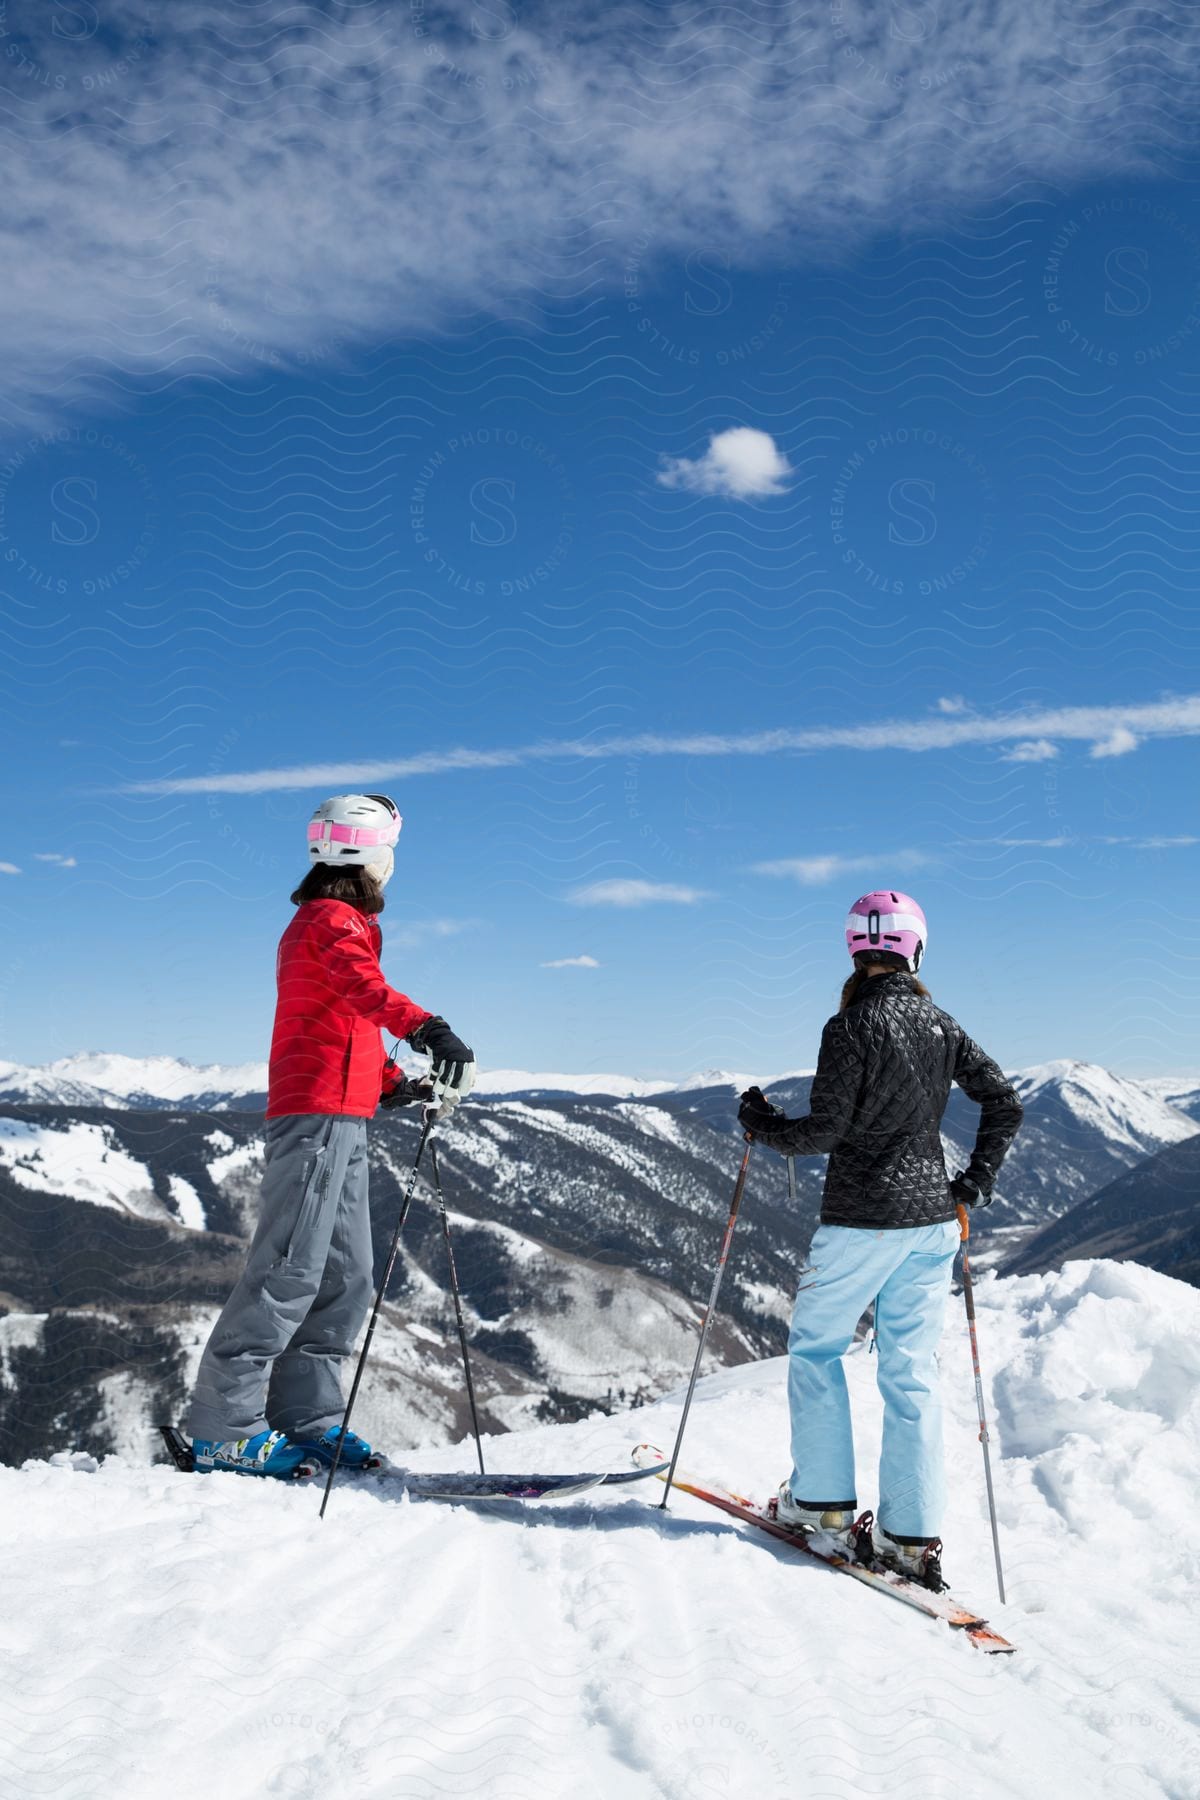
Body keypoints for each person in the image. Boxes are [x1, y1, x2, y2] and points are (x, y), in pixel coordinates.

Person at [737, 890, 1022, 1589]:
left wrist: (759, 1125)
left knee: (817, 1349)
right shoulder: (939, 1024)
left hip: (862, 1219)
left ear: (855, 949)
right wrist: (973, 1183)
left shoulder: (851, 1027)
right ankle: (909, 1536)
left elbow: (824, 1132)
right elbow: (1004, 1102)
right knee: (910, 1371)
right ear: (916, 948)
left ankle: (824, 1504)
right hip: (930, 1224)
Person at [187, 793, 477, 1478]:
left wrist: (388, 1083)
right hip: (315, 1116)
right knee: (287, 1270)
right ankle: (224, 1427)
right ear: (377, 856)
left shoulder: (334, 922)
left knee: (346, 1277)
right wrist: (426, 1028)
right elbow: (361, 986)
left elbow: (345, 1016)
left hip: (344, 1113)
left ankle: (305, 1417)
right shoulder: (330, 920)